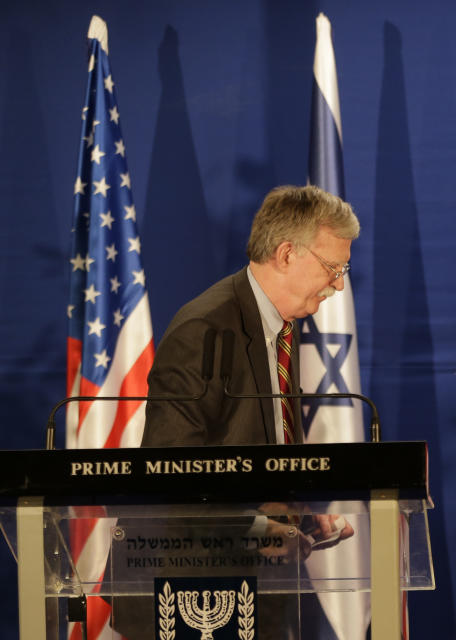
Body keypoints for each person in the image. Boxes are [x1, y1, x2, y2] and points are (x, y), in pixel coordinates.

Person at [119, 185, 358, 639]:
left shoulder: (280, 330)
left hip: (258, 598)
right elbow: (168, 476)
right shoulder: (205, 331)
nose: (340, 284)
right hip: (187, 598)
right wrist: (260, 528)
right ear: (287, 253)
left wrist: (298, 516)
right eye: (333, 268)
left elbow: (255, 458)